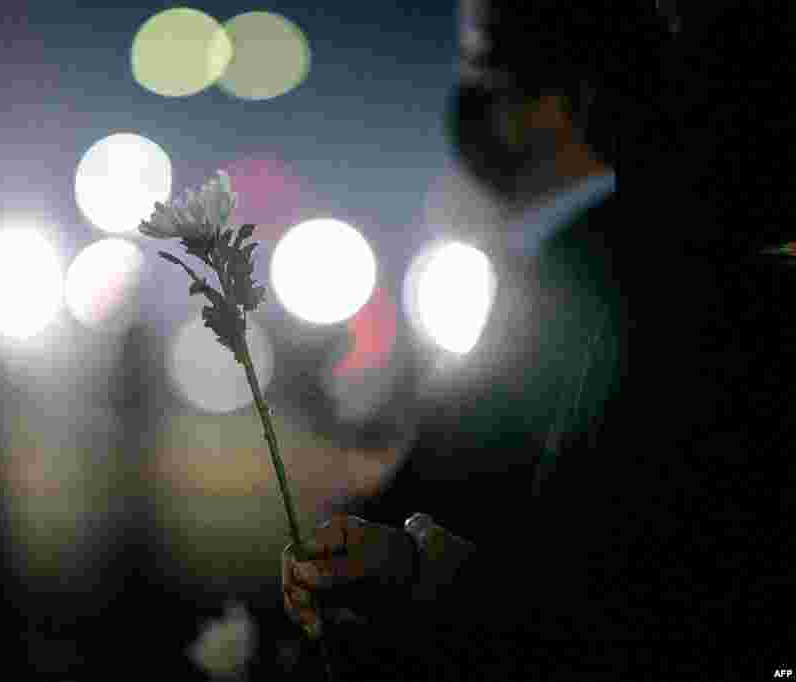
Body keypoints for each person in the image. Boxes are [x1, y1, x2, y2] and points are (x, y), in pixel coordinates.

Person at [282, 2, 793, 678]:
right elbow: (460, 460)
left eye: (497, 71)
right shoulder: (586, 254)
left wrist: (419, 571)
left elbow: (636, 583)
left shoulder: (615, 265)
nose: (479, 106)